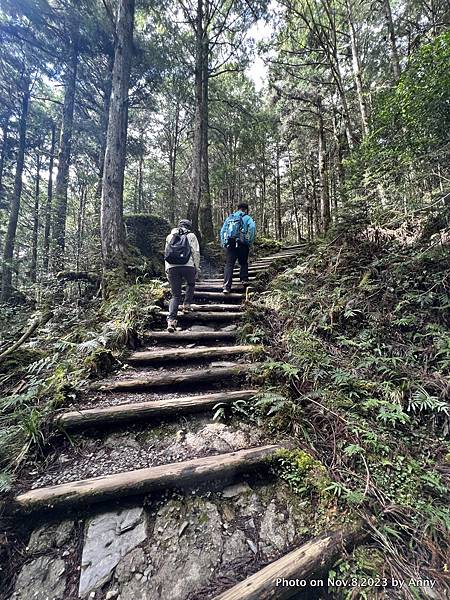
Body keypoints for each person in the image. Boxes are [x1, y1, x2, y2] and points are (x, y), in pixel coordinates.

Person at [164, 219, 201, 332]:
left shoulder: (170, 236)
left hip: (172, 267)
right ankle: (186, 304)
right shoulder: (191, 236)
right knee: (191, 283)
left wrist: (167, 269)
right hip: (188, 265)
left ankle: (171, 321)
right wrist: (196, 267)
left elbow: (166, 253)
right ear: (189, 226)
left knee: (175, 295)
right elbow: (196, 252)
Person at [220, 202, 256, 294]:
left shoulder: (230, 217)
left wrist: (224, 243)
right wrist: (249, 242)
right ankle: (244, 280)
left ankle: (226, 287)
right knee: (243, 262)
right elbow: (252, 228)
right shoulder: (247, 218)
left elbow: (223, 230)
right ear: (246, 210)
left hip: (230, 244)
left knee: (229, 264)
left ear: (238, 208)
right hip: (242, 244)